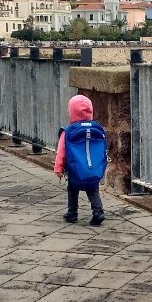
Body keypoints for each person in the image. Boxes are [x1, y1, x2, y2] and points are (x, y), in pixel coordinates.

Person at [54, 94, 106, 226]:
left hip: (75, 170)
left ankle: (72, 213)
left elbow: (61, 151)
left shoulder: (68, 131)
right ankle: (98, 211)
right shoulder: (97, 129)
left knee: (72, 189)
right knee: (93, 189)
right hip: (93, 169)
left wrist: (58, 167)